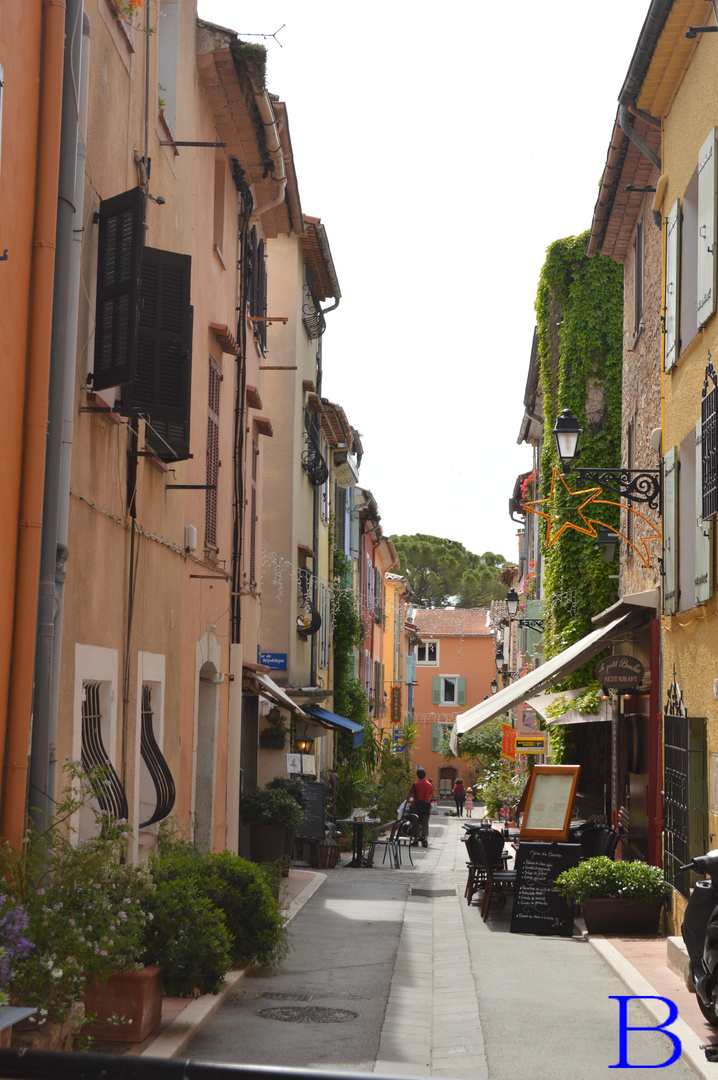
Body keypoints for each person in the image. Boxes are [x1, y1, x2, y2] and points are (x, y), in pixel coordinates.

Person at [407, 767, 434, 848]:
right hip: (426, 806)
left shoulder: (415, 784)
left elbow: (409, 794)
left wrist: (408, 800)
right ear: (425, 775)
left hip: (416, 806)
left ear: (417, 775)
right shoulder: (429, 784)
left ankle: (415, 840)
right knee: (425, 823)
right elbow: (431, 795)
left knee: (416, 822)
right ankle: (425, 840)